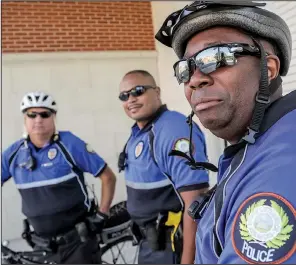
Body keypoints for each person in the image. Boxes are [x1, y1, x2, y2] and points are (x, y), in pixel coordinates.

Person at [155, 1, 296, 264]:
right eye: (186, 68)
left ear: (269, 69)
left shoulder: (279, 170)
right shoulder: (257, 146)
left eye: (216, 57)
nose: (195, 78)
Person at [1, 91, 117, 264]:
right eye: (32, 114)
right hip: (42, 245)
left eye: (44, 114)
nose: (38, 119)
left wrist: (102, 214)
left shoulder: (69, 144)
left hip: (78, 242)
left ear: (53, 116)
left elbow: (108, 177)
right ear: (25, 119)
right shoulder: (13, 154)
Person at [118, 70, 216, 264]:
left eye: (138, 91)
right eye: (124, 95)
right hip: (152, 245)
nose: (131, 99)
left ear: (157, 91)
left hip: (172, 249)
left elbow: (195, 203)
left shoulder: (172, 129)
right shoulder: (141, 130)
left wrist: (188, 260)